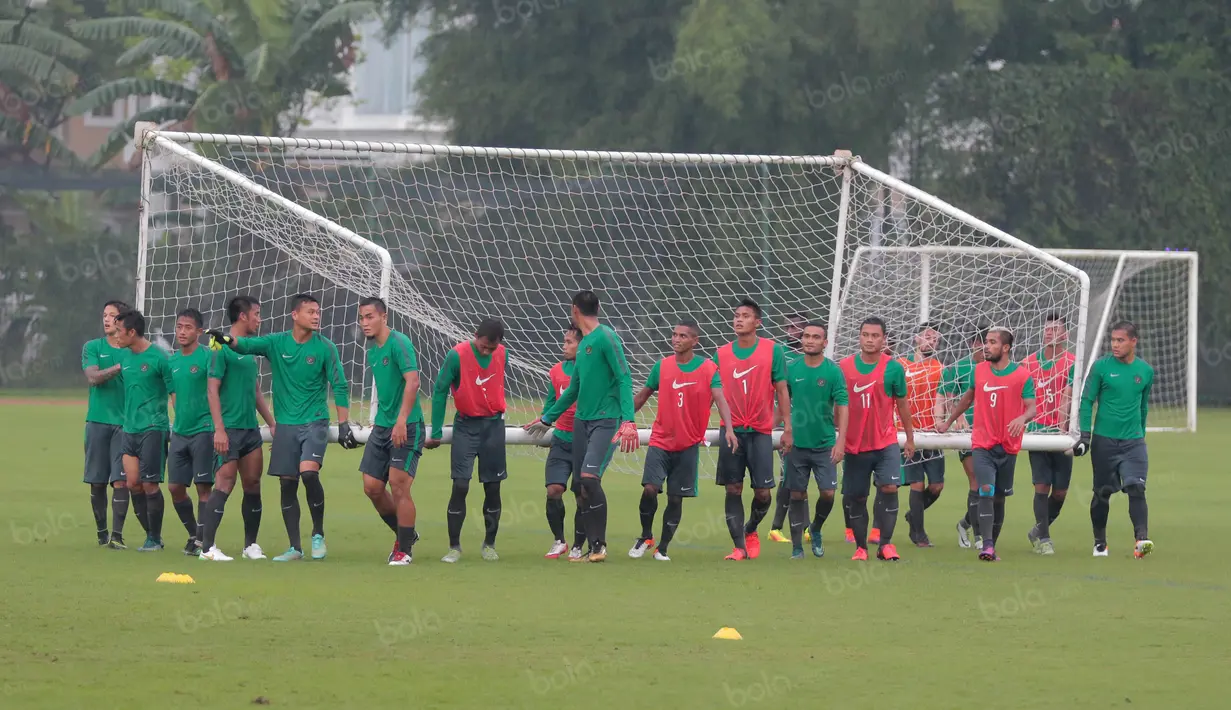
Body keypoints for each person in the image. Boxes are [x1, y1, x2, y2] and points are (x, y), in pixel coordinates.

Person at [208, 294, 357, 562]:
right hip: (286, 424)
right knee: (287, 484)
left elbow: (340, 385)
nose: (316, 316)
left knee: (309, 474)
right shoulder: (276, 343)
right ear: (294, 315)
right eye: (310, 311)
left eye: (317, 312)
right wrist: (226, 339)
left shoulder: (326, 347)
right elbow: (245, 345)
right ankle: (294, 548)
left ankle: (318, 534)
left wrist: (344, 422)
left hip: (315, 420)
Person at [525, 290, 638, 563]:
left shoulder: (607, 337)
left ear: (574, 310)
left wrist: (629, 420)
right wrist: (547, 418)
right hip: (580, 423)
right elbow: (573, 388)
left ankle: (599, 545)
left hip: (605, 420)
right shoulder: (584, 345)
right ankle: (583, 545)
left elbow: (624, 377)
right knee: (580, 486)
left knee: (589, 478)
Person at [629, 319, 737, 561]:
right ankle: (646, 536)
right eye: (674, 335)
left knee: (675, 498)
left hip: (688, 445)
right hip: (660, 440)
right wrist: (624, 419)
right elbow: (643, 396)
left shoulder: (708, 368)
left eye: (683, 336)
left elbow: (720, 399)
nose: (676, 339)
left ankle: (663, 548)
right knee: (650, 489)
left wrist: (729, 428)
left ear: (694, 341)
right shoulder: (662, 366)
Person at [938, 327, 1036, 561]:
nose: (986, 346)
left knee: (999, 497)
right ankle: (987, 545)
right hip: (982, 444)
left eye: (992, 342)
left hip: (1008, 446)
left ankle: (992, 543)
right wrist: (948, 421)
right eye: (985, 342)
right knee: (985, 491)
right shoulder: (979, 371)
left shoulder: (1021, 375)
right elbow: (967, 399)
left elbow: (1032, 407)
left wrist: (1022, 418)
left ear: (1005, 348)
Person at [713, 298, 792, 561]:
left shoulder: (773, 351)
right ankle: (738, 547)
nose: (738, 319)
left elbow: (782, 390)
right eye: (736, 315)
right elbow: (713, 392)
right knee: (733, 488)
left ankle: (751, 529)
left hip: (759, 432)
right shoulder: (721, 353)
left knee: (763, 492)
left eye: (745, 316)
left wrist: (786, 427)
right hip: (731, 432)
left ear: (757, 322)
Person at [199, 296, 274, 562]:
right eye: (256, 313)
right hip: (228, 429)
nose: (259, 318)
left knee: (253, 484)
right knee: (225, 484)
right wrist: (219, 429)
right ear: (243, 316)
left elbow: (254, 391)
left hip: (250, 430)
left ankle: (250, 545)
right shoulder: (220, 348)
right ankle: (207, 548)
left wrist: (271, 422)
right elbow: (212, 389)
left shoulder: (247, 349)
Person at [429, 318, 508, 563]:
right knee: (460, 485)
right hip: (466, 426)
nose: (486, 351)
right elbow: (440, 390)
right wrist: (437, 430)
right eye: (483, 346)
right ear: (475, 336)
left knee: (493, 488)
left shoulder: (501, 353)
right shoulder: (457, 355)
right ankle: (454, 547)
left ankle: (489, 544)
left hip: (494, 426)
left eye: (491, 348)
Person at [1074, 320, 1154, 558]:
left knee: (1136, 487)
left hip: (1134, 442)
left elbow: (1143, 406)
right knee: (1103, 493)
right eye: (1113, 340)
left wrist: (1140, 434)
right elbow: (1087, 401)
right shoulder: (1101, 367)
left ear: (1133, 341)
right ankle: (1100, 542)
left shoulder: (1145, 371)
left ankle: (1142, 540)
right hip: (1104, 442)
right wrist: (1085, 435)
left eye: (1120, 340)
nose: (1115, 345)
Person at [839, 317, 914, 561]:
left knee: (890, 487)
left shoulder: (893, 368)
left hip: (886, 442)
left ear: (884, 339)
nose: (870, 340)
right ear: (859, 337)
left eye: (875, 336)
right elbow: (836, 405)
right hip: (855, 445)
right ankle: (861, 548)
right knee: (857, 496)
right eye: (865, 335)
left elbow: (902, 404)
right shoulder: (844, 367)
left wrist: (910, 438)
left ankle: (886, 544)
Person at [357, 297, 423, 565]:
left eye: (370, 316)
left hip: (405, 426)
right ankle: (406, 533)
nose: (365, 323)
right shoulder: (373, 350)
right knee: (372, 487)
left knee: (398, 484)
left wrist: (401, 420)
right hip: (382, 427)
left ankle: (404, 549)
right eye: (361, 318)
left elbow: (413, 381)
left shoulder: (400, 343)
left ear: (384, 317)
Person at [782, 322, 848, 559]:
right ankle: (797, 547)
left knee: (828, 493)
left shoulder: (833, 371)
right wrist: (785, 428)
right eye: (806, 336)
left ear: (825, 343)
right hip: (797, 445)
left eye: (815, 337)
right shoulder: (792, 369)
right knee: (797, 494)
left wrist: (841, 442)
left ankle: (816, 528)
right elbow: (781, 399)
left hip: (824, 444)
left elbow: (843, 404)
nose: (810, 340)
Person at [113, 309, 173, 552]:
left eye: (119, 331)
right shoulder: (125, 359)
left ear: (132, 332)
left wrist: (178, 424)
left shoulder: (159, 358)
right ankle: (151, 535)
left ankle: (154, 538)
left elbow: (174, 393)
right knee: (133, 484)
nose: (116, 335)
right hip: (130, 429)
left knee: (150, 485)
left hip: (153, 428)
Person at [1021, 312, 1076, 555]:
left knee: (1061, 491)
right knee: (1041, 486)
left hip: (1062, 434)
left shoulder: (1073, 362)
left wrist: (1068, 430)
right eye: (1047, 328)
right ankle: (1044, 538)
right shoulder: (1028, 363)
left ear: (1065, 334)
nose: (1049, 332)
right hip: (1037, 432)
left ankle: (1038, 529)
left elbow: (1070, 396)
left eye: (1055, 328)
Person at [82, 300, 132, 549]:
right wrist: (118, 367)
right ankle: (101, 533)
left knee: (121, 481)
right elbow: (93, 377)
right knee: (98, 481)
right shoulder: (92, 347)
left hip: (125, 425)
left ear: (122, 320)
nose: (106, 319)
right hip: (98, 422)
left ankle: (117, 536)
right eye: (104, 315)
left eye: (112, 315)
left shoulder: (135, 351)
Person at [166, 308, 215, 556]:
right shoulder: (172, 362)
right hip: (180, 432)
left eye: (187, 327)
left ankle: (201, 543)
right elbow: (173, 396)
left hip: (204, 430)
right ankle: (195, 533)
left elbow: (216, 391)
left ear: (198, 331)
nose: (182, 332)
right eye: (179, 327)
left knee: (203, 488)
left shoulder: (208, 357)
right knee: (174, 487)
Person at [898, 323, 945, 547]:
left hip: (931, 434)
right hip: (908, 434)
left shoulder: (940, 368)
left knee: (936, 486)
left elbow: (944, 397)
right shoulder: (901, 365)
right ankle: (918, 534)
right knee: (917, 483)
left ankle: (913, 515)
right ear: (916, 339)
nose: (931, 341)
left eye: (935, 339)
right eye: (927, 337)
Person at [540, 326, 583, 560]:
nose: (564, 346)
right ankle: (559, 540)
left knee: (582, 494)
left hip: (585, 441)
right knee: (553, 489)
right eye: (564, 341)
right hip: (561, 439)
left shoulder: (591, 370)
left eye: (569, 342)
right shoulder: (556, 370)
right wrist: (542, 420)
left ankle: (579, 544)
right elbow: (550, 402)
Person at [769, 311, 811, 544]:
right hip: (788, 424)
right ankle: (803, 528)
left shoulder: (813, 355)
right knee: (795, 477)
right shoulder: (780, 353)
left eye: (796, 328)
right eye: (788, 328)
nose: (791, 332)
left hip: (810, 423)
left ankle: (779, 528)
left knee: (794, 478)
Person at [942, 328, 987, 549]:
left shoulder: (998, 368)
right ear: (972, 344)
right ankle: (979, 536)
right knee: (976, 481)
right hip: (967, 434)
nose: (983, 348)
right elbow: (949, 396)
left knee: (989, 487)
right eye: (979, 344)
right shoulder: (959, 368)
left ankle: (964, 524)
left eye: (987, 343)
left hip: (991, 432)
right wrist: (957, 419)